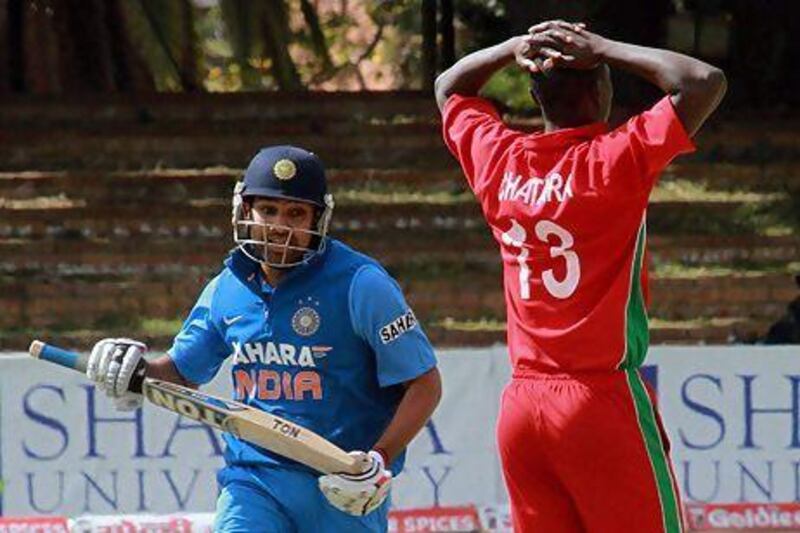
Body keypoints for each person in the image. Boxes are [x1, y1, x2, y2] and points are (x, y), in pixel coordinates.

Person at [435, 20, 725, 533]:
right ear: (601, 91)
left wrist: (512, 46)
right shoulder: (614, 159)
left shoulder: (502, 162)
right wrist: (605, 47)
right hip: (600, 401)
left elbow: (449, 88)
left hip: (523, 409)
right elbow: (703, 81)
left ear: (533, 93)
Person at [85, 145, 442, 532]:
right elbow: (182, 373)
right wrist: (136, 372)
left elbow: (424, 383)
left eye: (295, 213)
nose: (279, 226)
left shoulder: (362, 284)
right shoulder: (228, 287)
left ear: (318, 219)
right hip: (254, 479)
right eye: (268, 210)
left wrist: (379, 458)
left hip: (342, 485)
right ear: (245, 212)